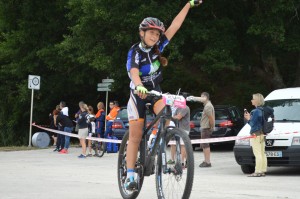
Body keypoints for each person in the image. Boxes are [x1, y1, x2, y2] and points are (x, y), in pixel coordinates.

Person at [125, 0, 203, 190]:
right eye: (151, 32)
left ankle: (156, 140)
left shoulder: (158, 46)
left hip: (155, 92)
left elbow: (176, 25)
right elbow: (134, 72)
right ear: (142, 33)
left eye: (157, 33)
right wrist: (138, 85)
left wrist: (188, 5)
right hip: (138, 95)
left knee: (167, 117)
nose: (155, 36)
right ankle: (130, 175)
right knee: (135, 137)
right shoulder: (135, 52)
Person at [244, 93, 267, 177]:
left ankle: (257, 171)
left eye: (253, 99)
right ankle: (263, 170)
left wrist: (248, 119)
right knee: (262, 153)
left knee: (257, 153)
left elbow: (253, 124)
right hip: (262, 133)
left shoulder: (256, 111)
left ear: (257, 101)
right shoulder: (262, 110)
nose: (251, 100)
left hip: (255, 134)